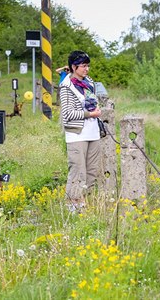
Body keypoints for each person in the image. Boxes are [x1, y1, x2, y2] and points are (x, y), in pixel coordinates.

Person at [59, 50, 102, 209]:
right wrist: (90, 113)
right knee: (77, 171)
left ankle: (86, 203)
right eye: (83, 66)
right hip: (76, 134)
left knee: (92, 171)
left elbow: (93, 100)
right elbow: (67, 113)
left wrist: (96, 109)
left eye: (87, 66)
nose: (86, 69)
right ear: (73, 67)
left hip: (93, 133)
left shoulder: (89, 82)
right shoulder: (66, 86)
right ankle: (73, 205)